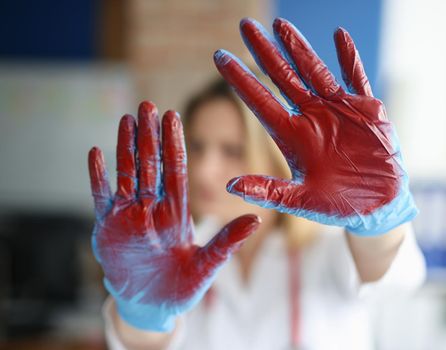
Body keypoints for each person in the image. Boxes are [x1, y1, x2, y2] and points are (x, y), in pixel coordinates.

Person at [88, 18, 426, 349]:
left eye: (232, 150)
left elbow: (396, 279)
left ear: (278, 155)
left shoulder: (329, 246)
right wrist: (142, 318)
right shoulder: (171, 250)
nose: (204, 170)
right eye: (197, 146)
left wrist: (380, 217)